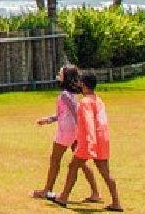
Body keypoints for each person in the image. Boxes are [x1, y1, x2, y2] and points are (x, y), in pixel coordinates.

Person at [50, 73, 124, 212]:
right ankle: (116, 202)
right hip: (102, 140)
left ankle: (63, 197)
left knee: (73, 167)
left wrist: (90, 142)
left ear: (83, 84)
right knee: (105, 172)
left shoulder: (85, 102)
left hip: (88, 141)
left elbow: (89, 122)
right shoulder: (98, 100)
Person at [32, 64, 102, 203]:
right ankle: (95, 192)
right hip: (75, 131)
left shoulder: (64, 95)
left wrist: (82, 128)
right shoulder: (74, 94)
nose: (59, 74)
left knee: (55, 159)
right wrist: (48, 120)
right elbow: (63, 114)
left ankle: (47, 190)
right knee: (81, 161)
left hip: (66, 131)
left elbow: (74, 113)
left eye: (61, 72)